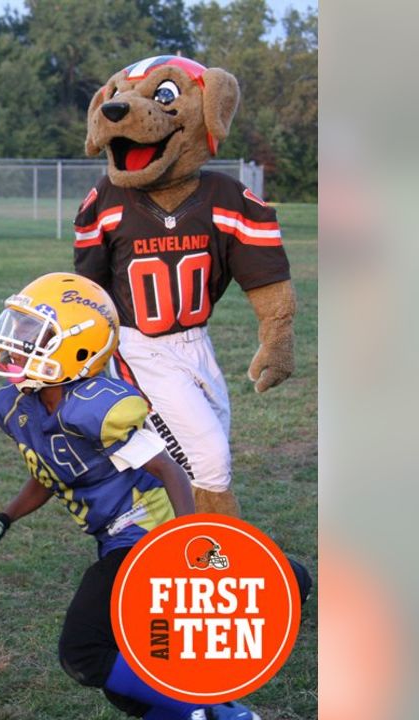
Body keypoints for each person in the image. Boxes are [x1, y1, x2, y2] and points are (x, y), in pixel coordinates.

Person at [0, 271, 265, 720]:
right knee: (125, 684)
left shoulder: (99, 407)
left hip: (146, 534)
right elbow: (50, 472)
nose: (14, 341)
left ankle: (219, 709)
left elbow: (170, 471)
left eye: (31, 332)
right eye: (19, 328)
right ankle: (203, 710)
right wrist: (6, 516)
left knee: (86, 654)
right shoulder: (19, 404)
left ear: (76, 348)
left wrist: (182, 541)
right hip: (114, 540)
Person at [75, 55, 297, 518]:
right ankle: (218, 554)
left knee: (203, 451)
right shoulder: (107, 199)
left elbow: (265, 274)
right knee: (210, 461)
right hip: (139, 348)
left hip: (197, 345)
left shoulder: (226, 198)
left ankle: (157, 533)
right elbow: (86, 290)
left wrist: (277, 336)